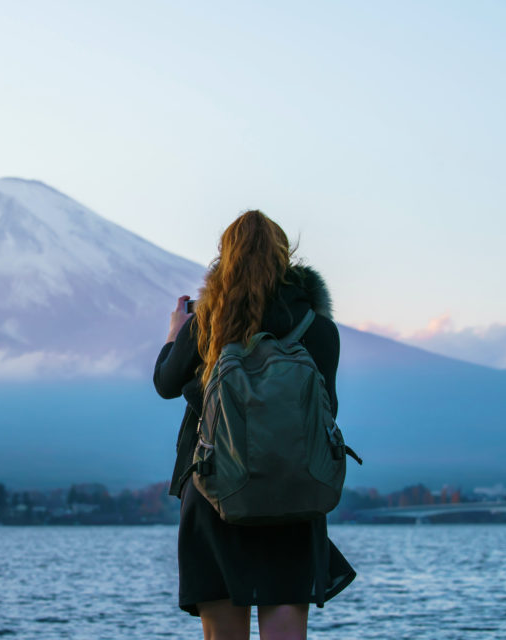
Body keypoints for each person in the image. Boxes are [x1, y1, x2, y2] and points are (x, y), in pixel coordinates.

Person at [153, 210, 355, 640]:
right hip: (293, 492)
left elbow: (166, 385)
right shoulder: (317, 328)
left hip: (215, 490)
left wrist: (175, 334)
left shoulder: (207, 322)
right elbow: (327, 409)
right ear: (286, 257)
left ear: (224, 260)